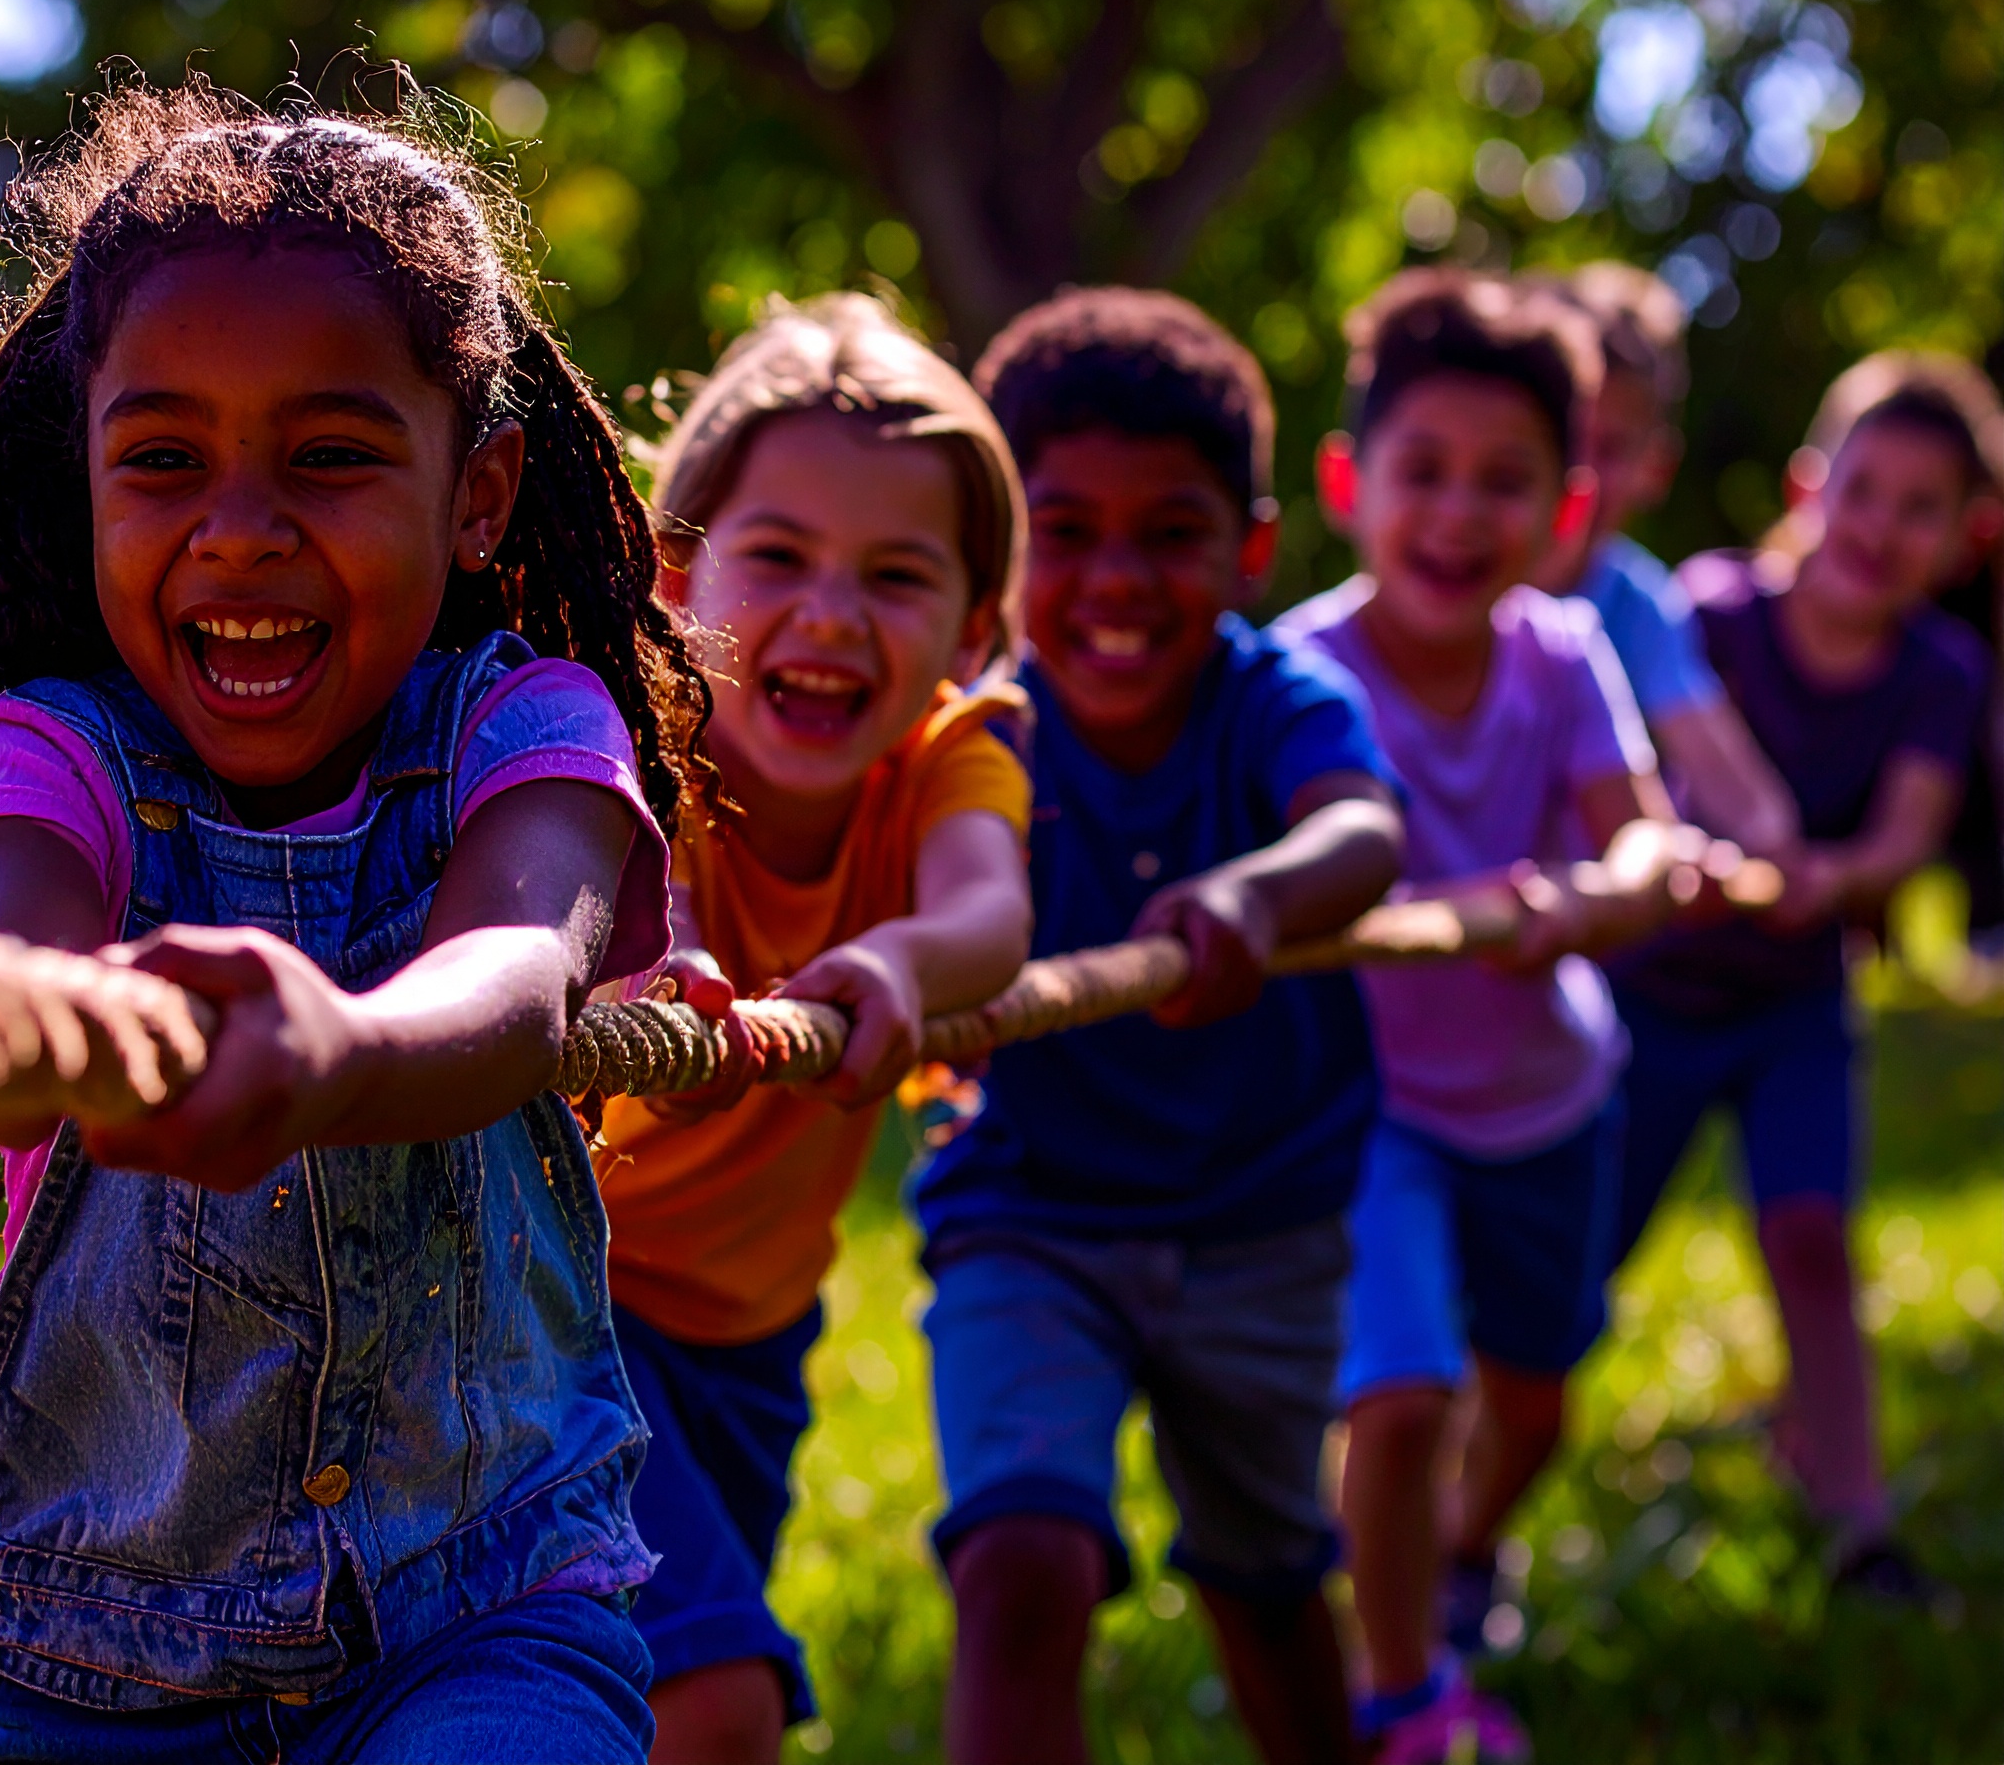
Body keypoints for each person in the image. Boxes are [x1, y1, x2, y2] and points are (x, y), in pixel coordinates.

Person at [0, 85, 714, 1764]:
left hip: (479, 1603)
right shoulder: (39, 757)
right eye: (164, 458)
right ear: (88, 475)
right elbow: (5, 993)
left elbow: (518, 963)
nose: (239, 527)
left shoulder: (525, 727)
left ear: (475, 498)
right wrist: (32, 1024)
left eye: (329, 455)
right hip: (97, 1650)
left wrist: (342, 1044)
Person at [906, 287, 1406, 1765]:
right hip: (1030, 1219)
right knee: (1018, 1568)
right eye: (1065, 532)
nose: (1117, 579)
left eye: (1171, 534)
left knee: (1265, 1580)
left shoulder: (1273, 701)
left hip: (1263, 1216)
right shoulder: (969, 729)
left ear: (1251, 546)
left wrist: (1257, 895)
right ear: (1002, 543)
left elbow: (1364, 829)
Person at [593, 293, 1036, 1765]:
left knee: (624, 1705)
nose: (833, 614)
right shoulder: (618, 736)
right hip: (548, 1308)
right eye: (777, 557)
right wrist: (671, 964)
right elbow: (609, 880)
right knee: (709, 1700)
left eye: (898, 577)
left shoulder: (951, 762)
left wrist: (904, 961)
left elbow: (988, 915)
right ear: (673, 574)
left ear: (974, 627)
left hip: (750, 1340)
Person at [1274, 270, 1690, 1764]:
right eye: (1424, 473)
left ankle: (1457, 1553)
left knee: (1532, 1403)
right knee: (1399, 1392)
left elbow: (1644, 839)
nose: (1458, 514)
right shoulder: (1306, 676)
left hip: (1550, 1104)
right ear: (1349, 483)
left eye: (1504, 482)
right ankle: (1399, 1693)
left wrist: (1594, 897)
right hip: (1379, 1113)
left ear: (1567, 509)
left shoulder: (1563, 658)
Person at [1607, 352, 2001, 1594]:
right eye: (1865, 489)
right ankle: (1465, 1504)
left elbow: (1904, 835)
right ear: (1807, 484)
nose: (1883, 526)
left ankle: (1858, 1519)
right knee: (1576, 1254)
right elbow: (1634, 777)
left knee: (1813, 1234)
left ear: (1968, 534)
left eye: (1921, 506)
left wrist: (1834, 882)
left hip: (1792, 1010)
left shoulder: (1941, 672)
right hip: (1649, 1000)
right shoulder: (1708, 617)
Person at [1529, 262, 1799, 855]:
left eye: (1611, 447)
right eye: (1563, 436)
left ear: (1657, 468)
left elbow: (1745, 799)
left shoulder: (1640, 606)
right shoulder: (1450, 584)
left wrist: (1761, 851)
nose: (1582, 473)